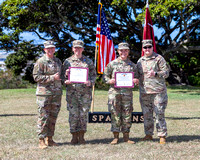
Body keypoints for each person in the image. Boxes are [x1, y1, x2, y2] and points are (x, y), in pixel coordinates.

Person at [103, 42, 139, 145]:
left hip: (127, 93)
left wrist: (136, 81)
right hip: (115, 93)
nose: (123, 52)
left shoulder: (132, 65)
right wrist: (109, 81)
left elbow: (137, 77)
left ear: (128, 52)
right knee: (115, 113)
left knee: (127, 114)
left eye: (126, 50)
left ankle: (126, 137)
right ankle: (115, 137)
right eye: (121, 50)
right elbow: (105, 76)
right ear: (118, 51)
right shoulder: (112, 64)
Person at [62, 40, 96, 145]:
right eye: (75, 48)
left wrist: (90, 82)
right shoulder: (67, 62)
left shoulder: (88, 61)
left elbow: (94, 75)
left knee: (83, 115)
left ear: (83, 49)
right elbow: (62, 77)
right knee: (73, 115)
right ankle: (74, 136)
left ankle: (81, 136)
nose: (78, 50)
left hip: (85, 93)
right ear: (73, 49)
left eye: (80, 48)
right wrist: (65, 78)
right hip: (72, 93)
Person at [137, 39, 169, 144]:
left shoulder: (159, 58)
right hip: (145, 92)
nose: (147, 49)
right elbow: (137, 75)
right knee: (147, 114)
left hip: (158, 92)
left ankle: (162, 135)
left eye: (149, 47)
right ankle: (148, 134)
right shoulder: (140, 61)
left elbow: (166, 73)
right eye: (145, 47)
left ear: (152, 47)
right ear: (143, 49)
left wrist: (155, 73)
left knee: (159, 113)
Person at [33, 40, 62, 149]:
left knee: (53, 116)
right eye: (48, 48)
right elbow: (36, 77)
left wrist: (66, 74)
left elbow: (60, 76)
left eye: (52, 48)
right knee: (43, 116)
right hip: (44, 94)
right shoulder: (41, 61)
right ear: (44, 49)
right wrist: (51, 78)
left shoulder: (58, 61)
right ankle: (41, 139)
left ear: (54, 49)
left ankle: (49, 139)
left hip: (56, 93)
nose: (50, 50)